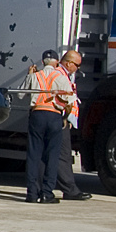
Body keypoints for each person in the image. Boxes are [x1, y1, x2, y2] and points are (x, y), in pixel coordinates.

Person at [25, 50, 76, 203]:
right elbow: (70, 100)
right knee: (52, 156)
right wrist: (65, 117)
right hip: (54, 116)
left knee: (34, 155)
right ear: (57, 62)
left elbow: (21, 94)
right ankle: (47, 193)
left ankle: (32, 194)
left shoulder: (35, 76)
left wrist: (29, 75)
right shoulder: (60, 77)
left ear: (42, 62)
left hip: (37, 115)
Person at [55, 50, 94, 201]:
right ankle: (69, 189)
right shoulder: (59, 75)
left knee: (54, 154)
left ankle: (43, 188)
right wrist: (66, 116)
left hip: (59, 119)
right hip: (59, 119)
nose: (78, 69)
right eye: (77, 65)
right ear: (69, 63)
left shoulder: (62, 75)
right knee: (63, 155)